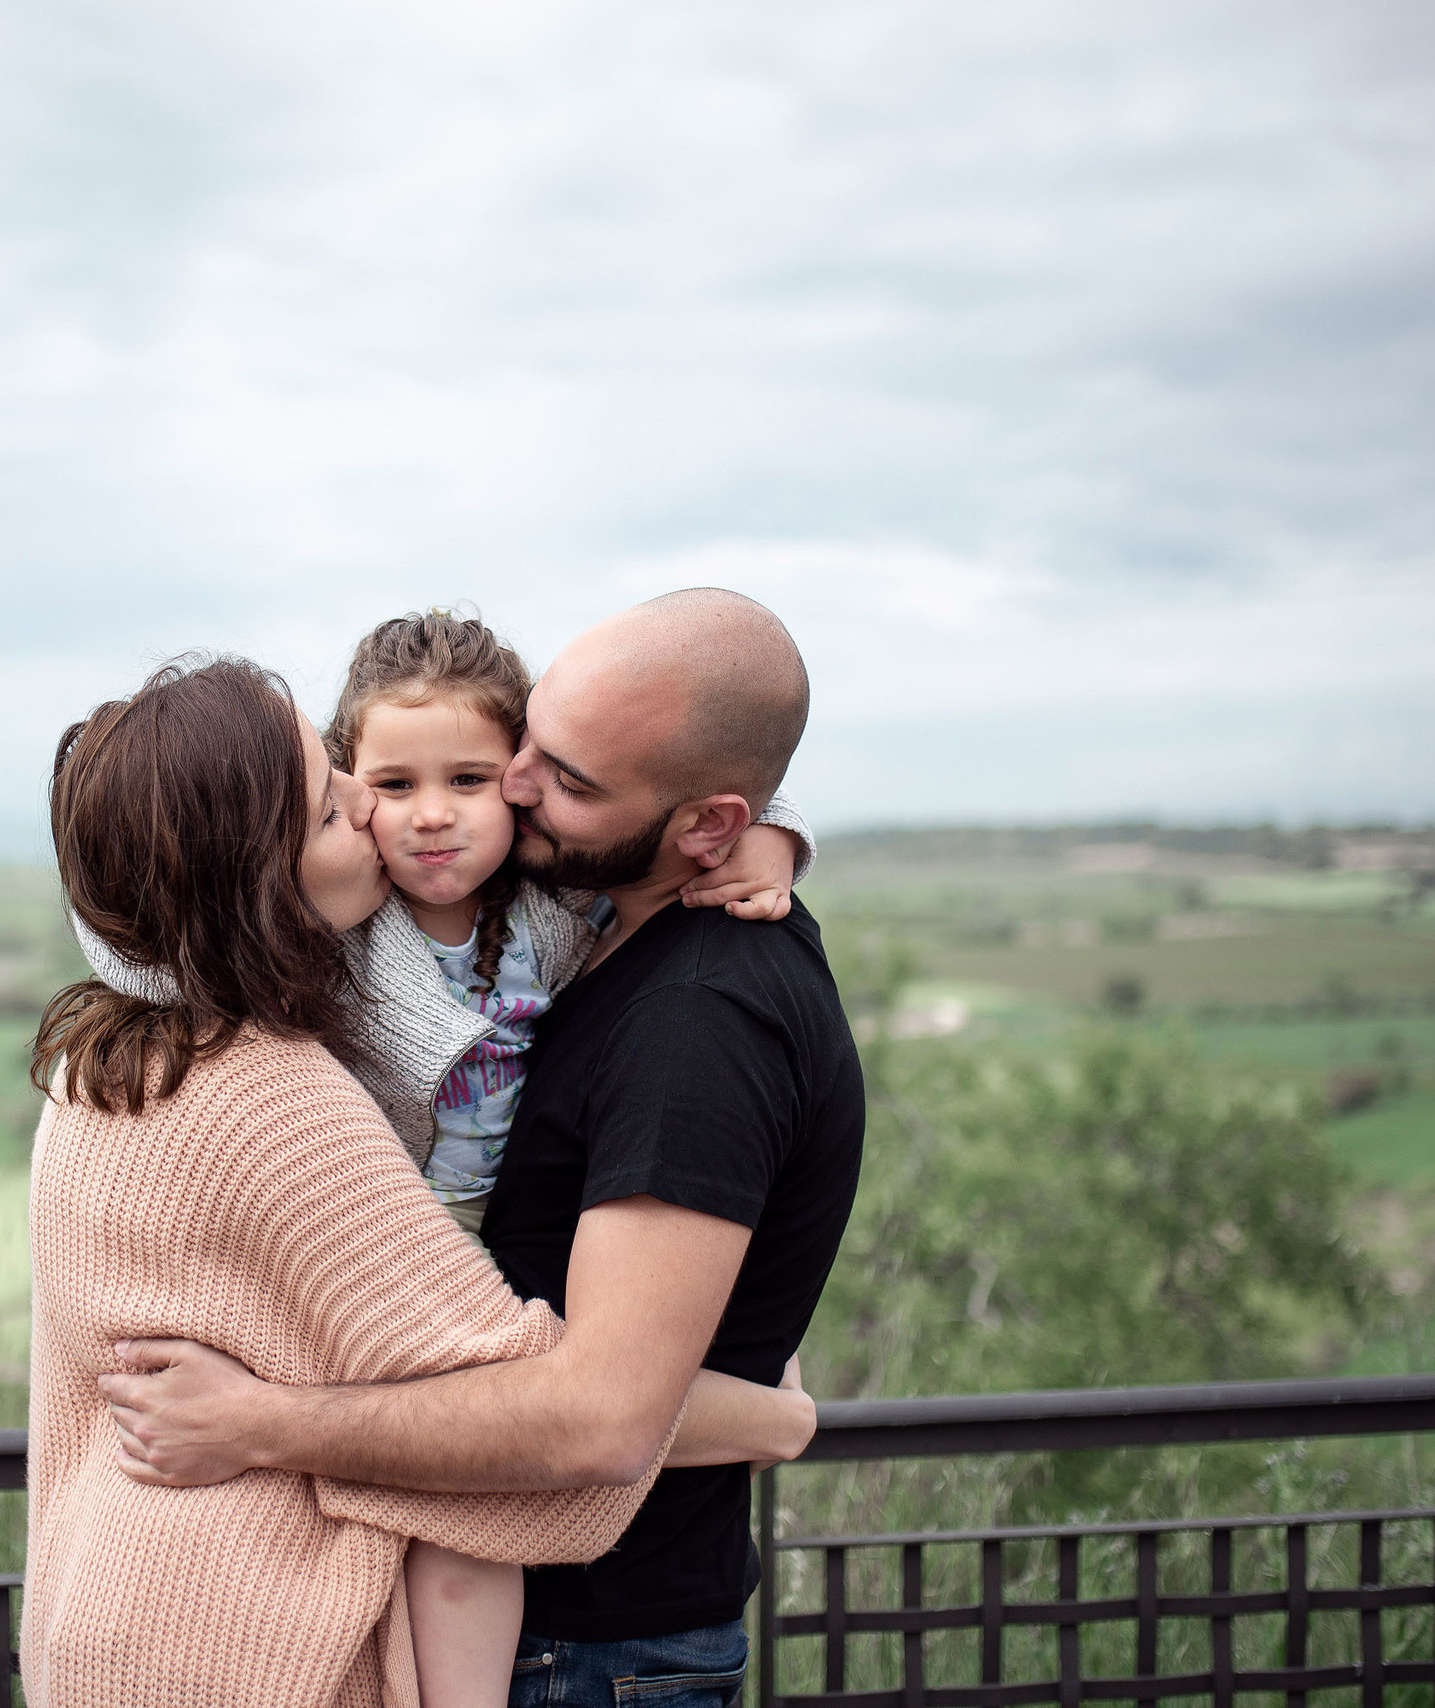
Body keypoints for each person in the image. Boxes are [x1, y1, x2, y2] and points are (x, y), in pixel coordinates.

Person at [97, 590, 868, 1706]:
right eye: (531, 749)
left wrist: (260, 1423)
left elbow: (602, 1418)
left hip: (596, 1651)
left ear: (705, 826)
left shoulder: (699, 1015)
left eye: (561, 779)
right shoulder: (600, 918)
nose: (509, 786)